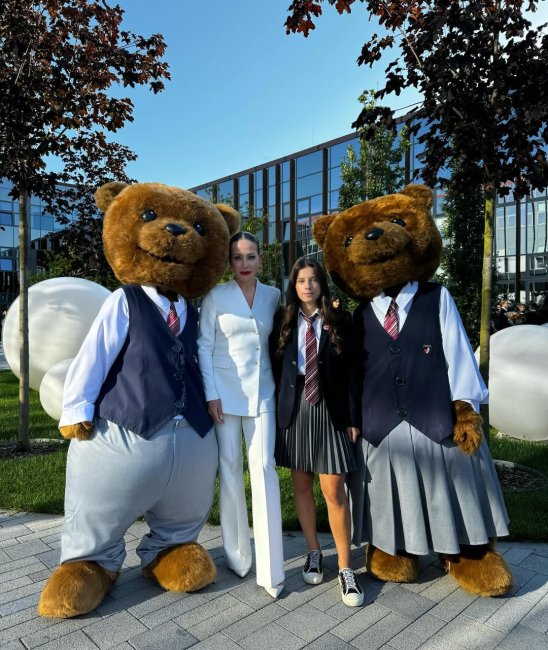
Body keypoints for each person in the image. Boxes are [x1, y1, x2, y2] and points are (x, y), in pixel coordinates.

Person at [271, 257, 364, 607]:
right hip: (296, 410)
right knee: (301, 484)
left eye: (312, 280)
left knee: (333, 489)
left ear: (322, 284)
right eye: (300, 281)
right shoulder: (283, 320)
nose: (307, 286)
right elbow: (276, 368)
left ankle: (346, 567)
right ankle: (313, 551)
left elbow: (353, 372)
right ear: (293, 286)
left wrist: (353, 417)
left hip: (331, 410)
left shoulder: (340, 320)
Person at [197, 231, 284, 598]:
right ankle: (237, 554)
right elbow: (204, 345)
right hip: (224, 396)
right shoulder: (215, 296)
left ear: (260, 259)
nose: (244, 264)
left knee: (263, 468)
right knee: (230, 470)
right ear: (229, 262)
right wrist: (211, 394)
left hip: (263, 392)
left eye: (250, 256)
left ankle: (271, 568)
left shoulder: (274, 296)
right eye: (237, 257)